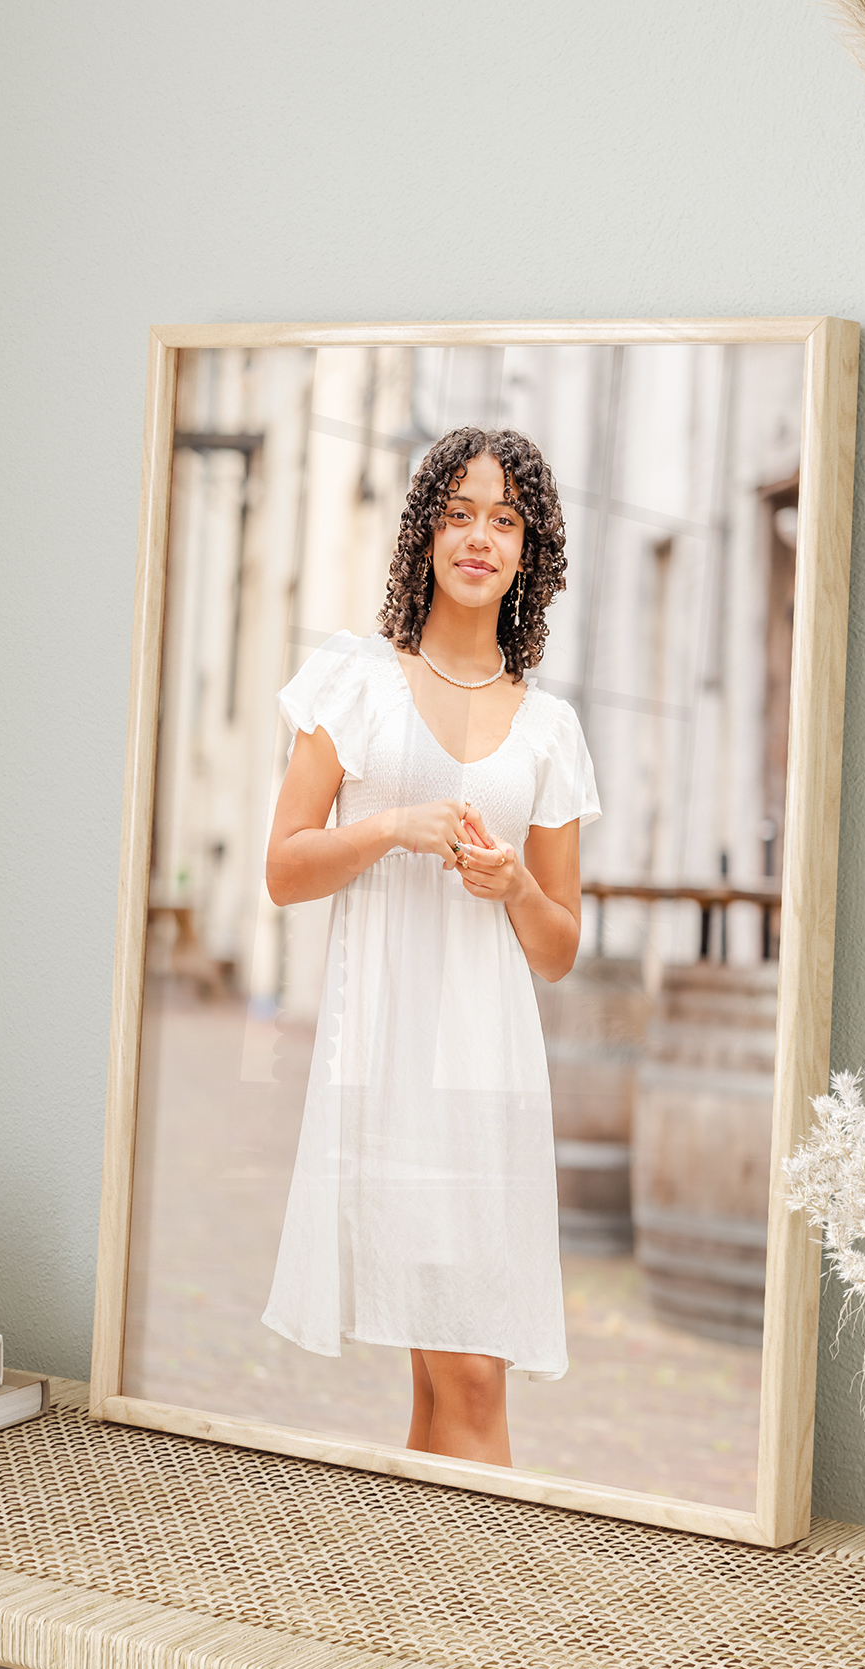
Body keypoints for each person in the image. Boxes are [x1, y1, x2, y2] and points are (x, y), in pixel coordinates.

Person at [260, 426, 598, 1468]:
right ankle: (439, 1613)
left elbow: (558, 948)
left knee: (465, 1371)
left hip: (485, 1075)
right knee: (438, 1372)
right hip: (381, 1064)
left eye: (505, 519)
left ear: (529, 552)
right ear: (425, 533)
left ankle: (442, 1614)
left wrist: (514, 886)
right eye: (459, 512)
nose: (480, 536)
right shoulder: (354, 681)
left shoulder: (548, 728)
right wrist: (388, 828)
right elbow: (282, 869)